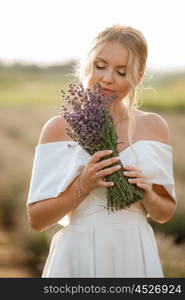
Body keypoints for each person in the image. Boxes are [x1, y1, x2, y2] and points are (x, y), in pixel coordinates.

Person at [26, 24, 177, 277]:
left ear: (138, 75)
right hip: (79, 251)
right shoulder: (58, 128)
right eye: (100, 66)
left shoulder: (154, 127)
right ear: (87, 65)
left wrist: (147, 193)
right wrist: (82, 186)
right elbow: (37, 220)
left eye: (121, 71)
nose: (108, 78)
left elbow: (164, 213)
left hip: (135, 250)